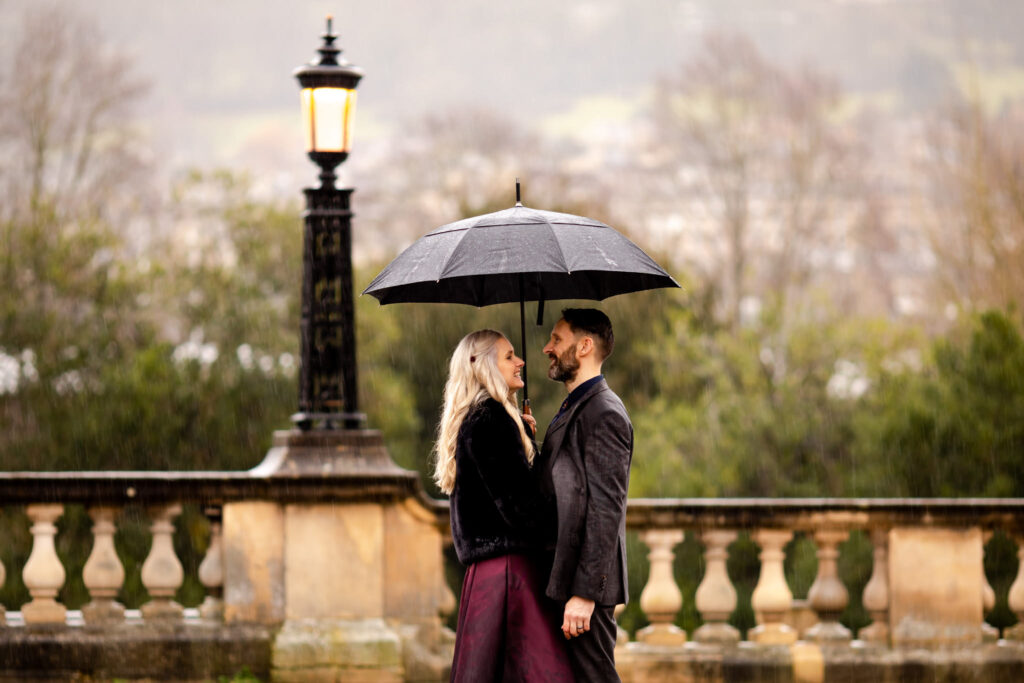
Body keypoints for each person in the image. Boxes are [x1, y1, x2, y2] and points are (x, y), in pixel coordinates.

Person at [435, 329, 575, 683]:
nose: (520, 362)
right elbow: (520, 508)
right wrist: (567, 521)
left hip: (491, 575)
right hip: (510, 574)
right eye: (509, 355)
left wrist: (523, 440)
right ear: (484, 367)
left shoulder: (483, 418)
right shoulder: (491, 419)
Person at [538, 308, 633, 683]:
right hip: (562, 578)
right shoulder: (575, 406)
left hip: (582, 591)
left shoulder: (604, 412)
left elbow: (605, 511)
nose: (547, 347)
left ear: (585, 347)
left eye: (557, 339)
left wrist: (585, 594)